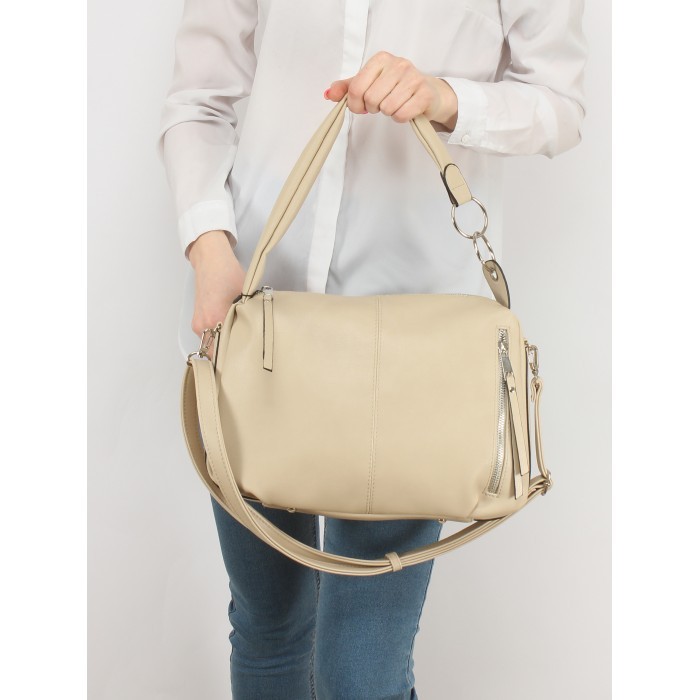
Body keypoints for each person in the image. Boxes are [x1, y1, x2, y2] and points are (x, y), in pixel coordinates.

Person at [156, 1, 586, 697]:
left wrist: (447, 99)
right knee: (268, 625)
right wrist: (209, 247)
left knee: (361, 673)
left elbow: (560, 105)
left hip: (413, 360)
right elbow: (199, 98)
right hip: (256, 329)